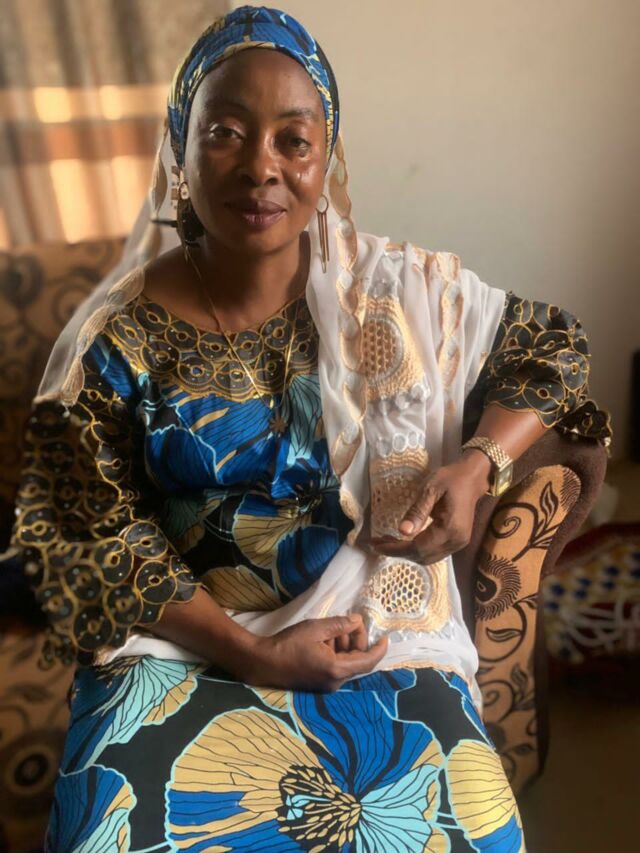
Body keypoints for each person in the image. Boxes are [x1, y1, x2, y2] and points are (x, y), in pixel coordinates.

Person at [12, 6, 610, 852]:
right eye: (225, 132)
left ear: (326, 160)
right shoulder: (118, 337)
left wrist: (479, 463)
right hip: (177, 644)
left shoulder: (392, 293)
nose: (261, 166)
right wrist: (253, 654)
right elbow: (86, 535)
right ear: (180, 149)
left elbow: (555, 344)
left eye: (293, 140)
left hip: (373, 635)